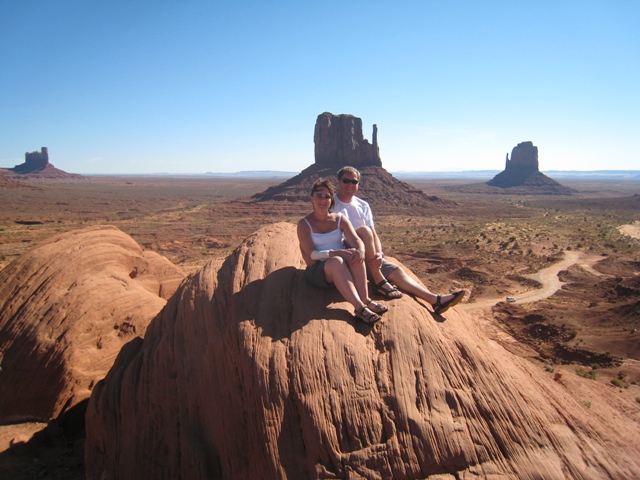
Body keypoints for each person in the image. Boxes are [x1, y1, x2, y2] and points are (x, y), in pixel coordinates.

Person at [333, 166, 465, 315]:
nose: (350, 184)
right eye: (346, 181)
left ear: (358, 184)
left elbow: (374, 234)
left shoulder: (363, 205)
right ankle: (379, 281)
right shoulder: (331, 204)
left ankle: (435, 300)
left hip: (366, 254)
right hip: (348, 253)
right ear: (338, 182)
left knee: (395, 270)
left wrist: (379, 254)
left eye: (354, 181)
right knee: (363, 231)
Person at [297, 179, 388, 324]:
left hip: (342, 267)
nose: (323, 199)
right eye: (319, 196)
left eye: (327, 196)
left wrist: (360, 250)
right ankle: (359, 307)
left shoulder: (340, 219)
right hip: (318, 270)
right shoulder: (304, 224)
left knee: (354, 254)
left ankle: (365, 299)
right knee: (337, 261)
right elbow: (312, 255)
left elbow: (356, 240)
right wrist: (334, 253)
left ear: (331, 200)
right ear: (311, 198)